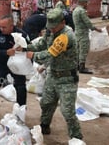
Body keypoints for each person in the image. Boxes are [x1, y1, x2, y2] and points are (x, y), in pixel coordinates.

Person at [26, 8, 83, 140]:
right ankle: (45, 125)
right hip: (53, 75)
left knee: (67, 112)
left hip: (67, 78)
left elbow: (50, 54)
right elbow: (41, 44)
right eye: (49, 26)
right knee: (46, 103)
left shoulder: (66, 35)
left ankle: (76, 138)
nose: (51, 29)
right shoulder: (51, 31)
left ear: (62, 22)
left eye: (54, 26)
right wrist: (25, 47)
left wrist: (32, 55)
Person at [0, 15, 30, 112]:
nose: (1, 29)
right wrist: (6, 52)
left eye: (4, 27)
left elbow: (30, 47)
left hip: (17, 66)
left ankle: (20, 113)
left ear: (11, 26)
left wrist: (23, 48)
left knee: (21, 87)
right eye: (0, 26)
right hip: (2, 64)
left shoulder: (21, 34)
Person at [73, 0, 102, 74]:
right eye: (86, 3)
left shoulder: (75, 10)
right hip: (83, 33)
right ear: (83, 3)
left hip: (77, 33)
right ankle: (82, 67)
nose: (87, 4)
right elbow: (87, 22)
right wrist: (95, 29)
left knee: (78, 50)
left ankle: (77, 66)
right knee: (84, 50)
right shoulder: (82, 11)